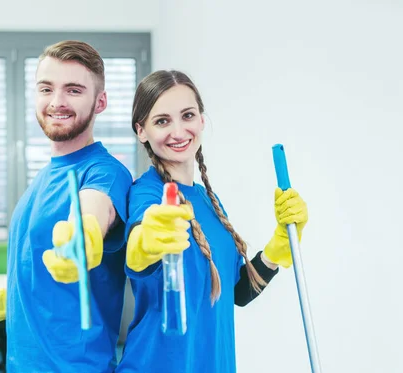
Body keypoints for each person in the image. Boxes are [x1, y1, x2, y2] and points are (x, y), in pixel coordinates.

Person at [0, 40, 133, 373]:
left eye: (73, 90)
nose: (57, 101)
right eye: (46, 88)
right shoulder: (43, 178)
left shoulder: (104, 172)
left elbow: (92, 215)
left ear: (100, 102)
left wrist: (81, 239)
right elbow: (35, 285)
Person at [116, 70, 309, 372]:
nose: (178, 131)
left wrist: (277, 248)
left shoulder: (209, 201)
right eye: (162, 120)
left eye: (187, 115)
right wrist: (145, 244)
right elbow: (139, 249)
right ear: (142, 131)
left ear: (202, 120)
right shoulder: (148, 194)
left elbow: (239, 293)